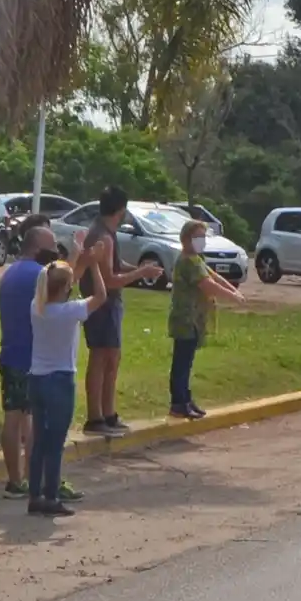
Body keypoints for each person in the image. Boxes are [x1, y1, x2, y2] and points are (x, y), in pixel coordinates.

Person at [0, 225, 101, 500]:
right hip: (34, 361)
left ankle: (15, 481)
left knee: (13, 419)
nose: (55, 252)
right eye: (52, 246)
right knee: (36, 426)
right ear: (36, 247)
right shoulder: (38, 275)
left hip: (10, 354)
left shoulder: (11, 273)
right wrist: (82, 256)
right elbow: (65, 282)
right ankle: (43, 481)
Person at [28, 258, 109, 517]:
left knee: (39, 441)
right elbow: (101, 296)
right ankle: (51, 496)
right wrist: (95, 265)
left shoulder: (36, 307)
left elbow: (59, 282)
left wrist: (76, 263)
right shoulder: (70, 311)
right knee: (55, 444)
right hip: (60, 380)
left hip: (36, 378)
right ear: (66, 287)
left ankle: (35, 495)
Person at [81, 185, 162, 437]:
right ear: (121, 210)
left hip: (107, 305)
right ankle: (95, 416)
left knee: (111, 359)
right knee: (101, 358)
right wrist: (141, 273)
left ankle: (108, 413)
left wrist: (138, 268)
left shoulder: (104, 232)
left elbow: (115, 266)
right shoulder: (103, 236)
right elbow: (110, 280)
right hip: (103, 305)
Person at [168, 220, 244, 419]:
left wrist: (233, 289)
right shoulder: (187, 261)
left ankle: (186, 399)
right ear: (186, 239)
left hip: (194, 319)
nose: (201, 241)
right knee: (182, 363)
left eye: (203, 237)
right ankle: (178, 402)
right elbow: (207, 285)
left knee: (187, 362)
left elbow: (214, 276)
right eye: (197, 237)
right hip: (185, 319)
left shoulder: (197, 259)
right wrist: (232, 296)